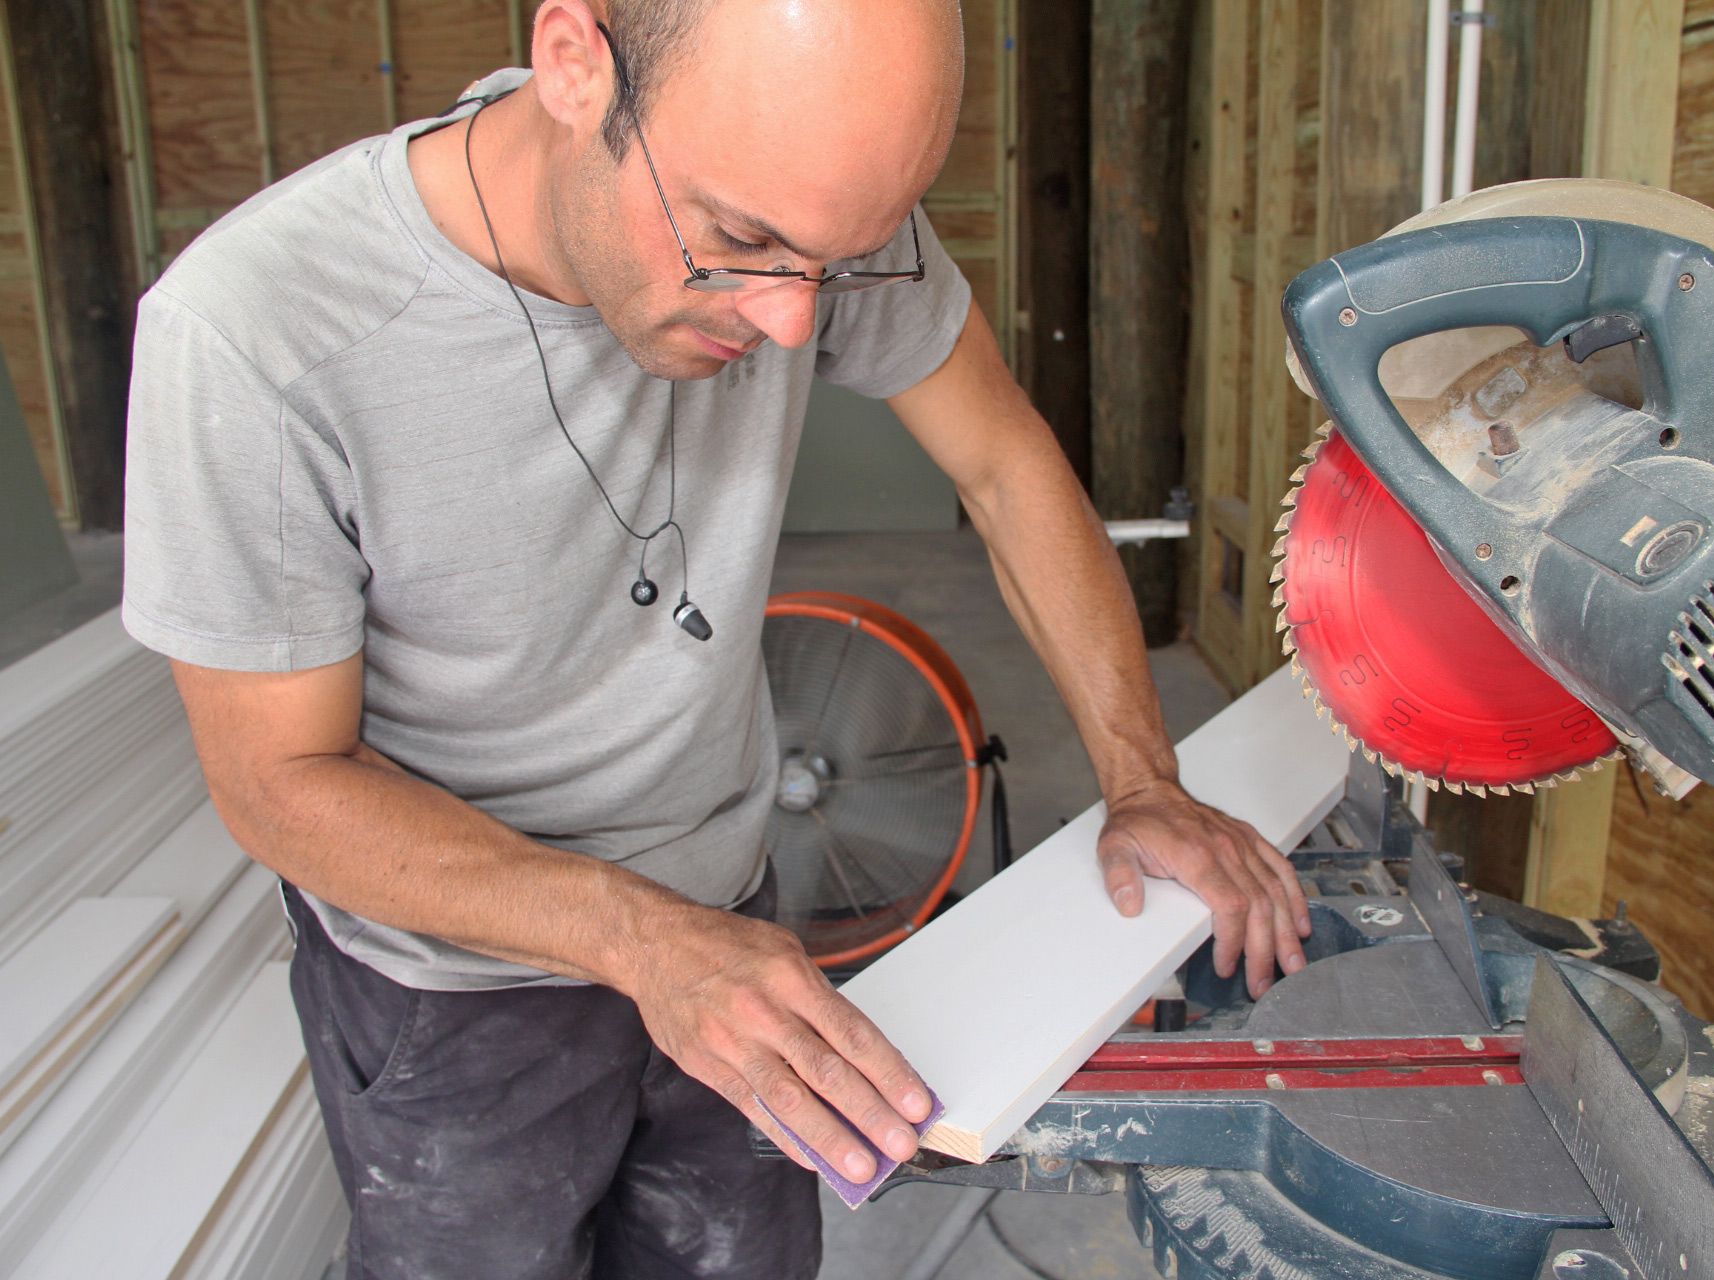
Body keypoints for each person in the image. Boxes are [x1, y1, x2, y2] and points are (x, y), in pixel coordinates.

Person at [121, 0, 1312, 1275]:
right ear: (576, 63)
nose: (790, 324)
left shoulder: (795, 200)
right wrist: (645, 941)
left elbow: (1005, 463)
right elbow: (279, 782)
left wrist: (1142, 777)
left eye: (836, 264)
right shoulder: (257, 332)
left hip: (736, 920)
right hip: (450, 997)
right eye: (739, 241)